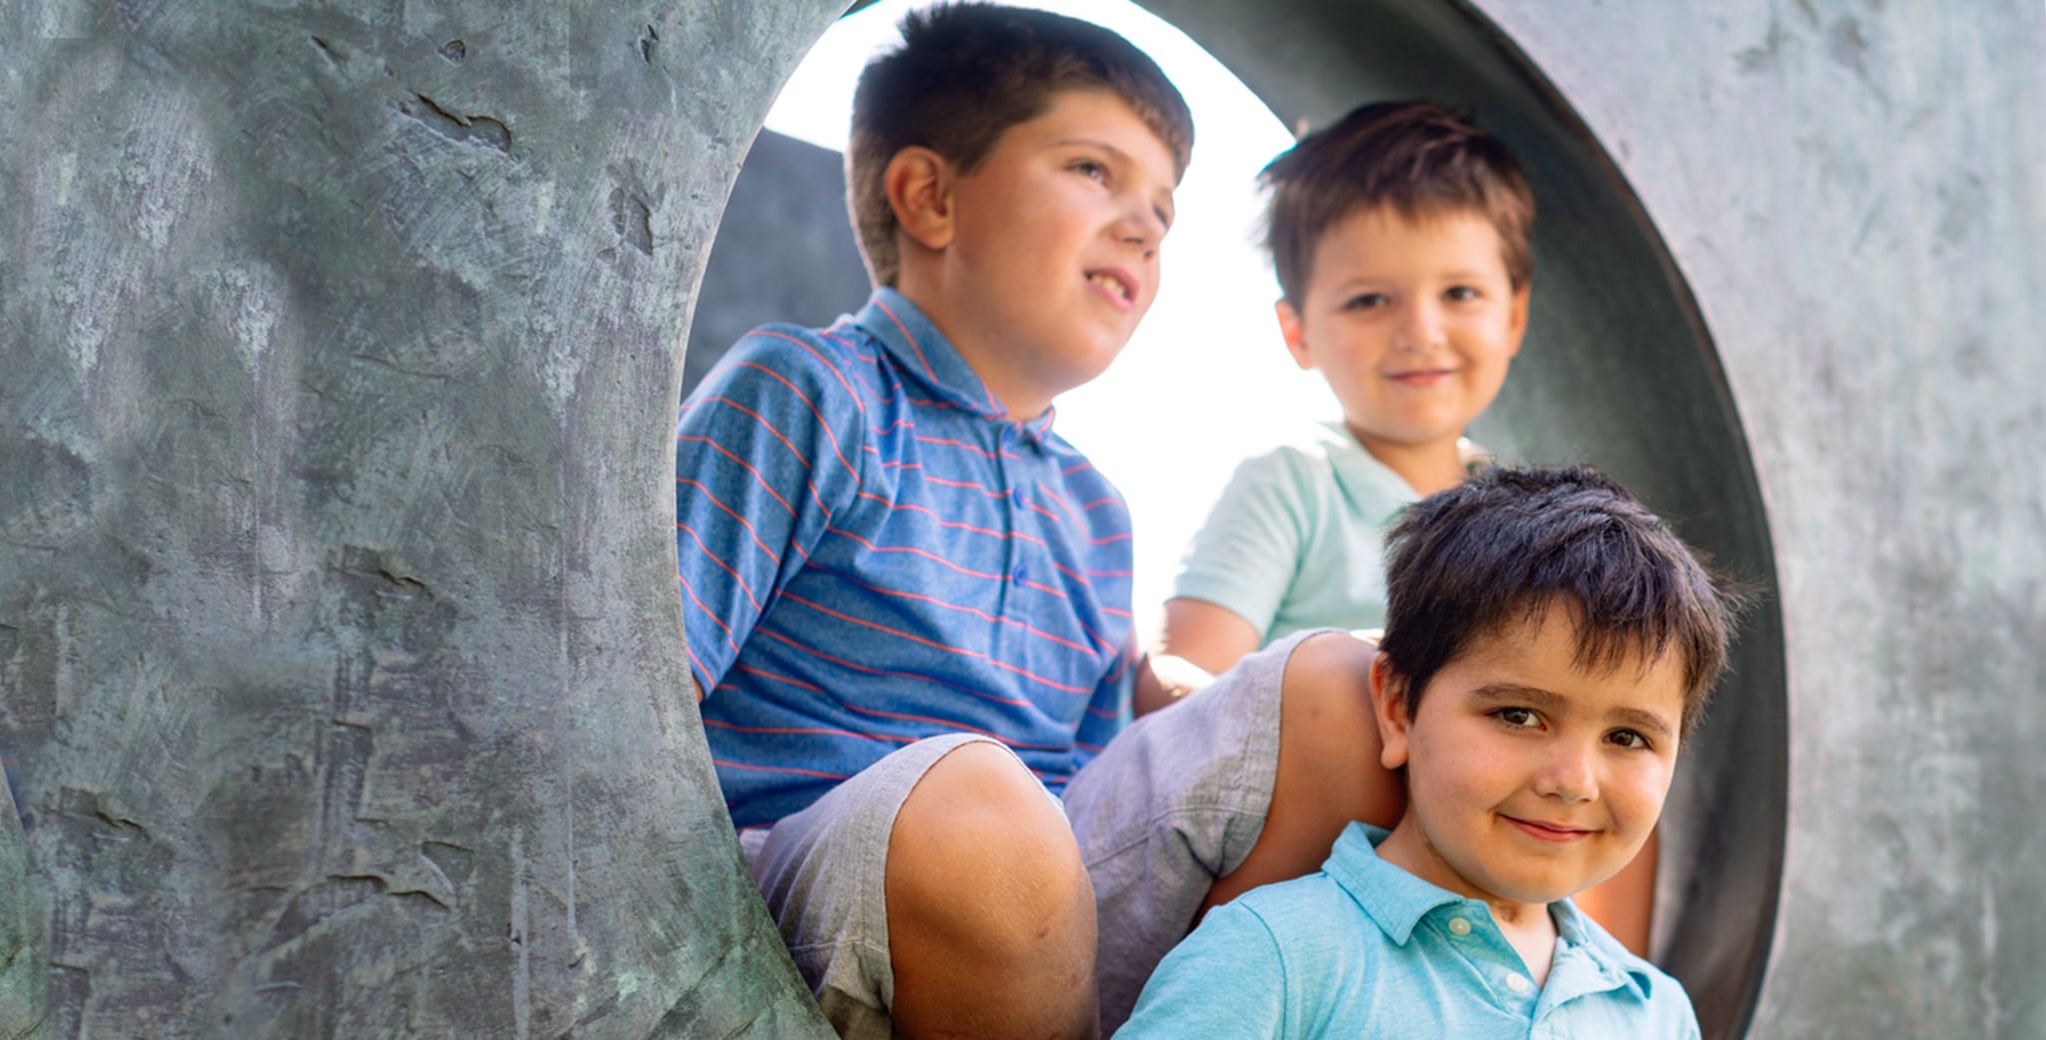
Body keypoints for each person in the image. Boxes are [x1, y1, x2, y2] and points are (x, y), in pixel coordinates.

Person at [674, 5, 1190, 1035]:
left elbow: (1095, 792)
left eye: (1163, 209)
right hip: (814, 870)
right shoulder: (811, 392)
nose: (1142, 223)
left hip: (1035, 888)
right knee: (983, 810)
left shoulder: (1096, 508)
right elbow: (632, 690)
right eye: (1093, 170)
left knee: (1325, 696)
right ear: (928, 197)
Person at [1132, 100, 1664, 962]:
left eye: (1459, 292)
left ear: (1514, 313)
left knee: (1613, 767)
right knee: (1350, 686)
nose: (1420, 329)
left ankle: (1585, 996)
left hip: (1464, 844)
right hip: (1310, 871)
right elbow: (1193, 690)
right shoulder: (1293, 482)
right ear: (1298, 331)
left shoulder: (1523, 519)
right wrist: (1336, 701)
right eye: (1371, 299)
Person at [1112, 466, 1740, 1038]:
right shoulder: (1274, 957)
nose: (1573, 781)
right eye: (1518, 716)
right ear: (1396, 708)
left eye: (1627, 737)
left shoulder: (1655, 1011)